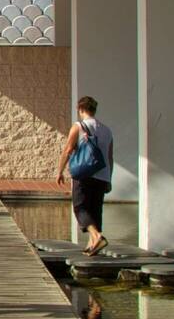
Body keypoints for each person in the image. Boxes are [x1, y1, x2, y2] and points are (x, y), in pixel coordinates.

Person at [55, 96, 116, 256]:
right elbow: (110, 157)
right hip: (102, 175)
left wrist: (60, 171)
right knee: (96, 210)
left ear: (81, 109)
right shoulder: (107, 130)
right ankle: (92, 246)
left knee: (80, 207)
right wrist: (109, 178)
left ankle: (96, 236)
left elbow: (68, 149)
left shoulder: (79, 127)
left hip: (84, 174)